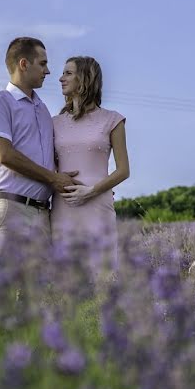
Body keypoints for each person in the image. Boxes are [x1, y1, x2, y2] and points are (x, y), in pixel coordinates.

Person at [0, 37, 81, 253]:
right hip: (10, 209)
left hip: (42, 214)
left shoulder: (44, 110)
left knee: (38, 286)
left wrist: (95, 184)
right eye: (43, 64)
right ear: (24, 64)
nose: (48, 72)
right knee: (6, 285)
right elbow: (5, 155)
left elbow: (51, 155)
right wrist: (53, 178)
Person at [52, 56, 130, 274]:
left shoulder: (113, 120)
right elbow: (43, 163)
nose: (60, 78)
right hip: (63, 205)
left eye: (68, 73)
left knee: (101, 276)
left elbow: (124, 170)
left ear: (85, 78)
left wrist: (90, 191)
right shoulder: (53, 123)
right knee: (65, 278)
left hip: (98, 205)